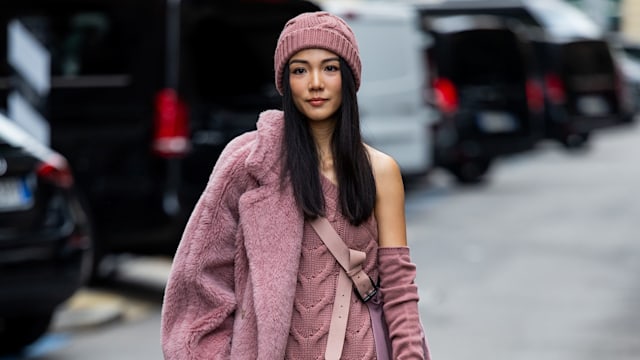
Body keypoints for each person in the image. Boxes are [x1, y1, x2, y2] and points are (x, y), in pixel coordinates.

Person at [161, 11, 430, 360]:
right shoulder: (248, 163)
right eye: (300, 70)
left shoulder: (380, 170)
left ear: (349, 78)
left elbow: (398, 287)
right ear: (285, 82)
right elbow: (196, 276)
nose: (315, 82)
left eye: (329, 68)